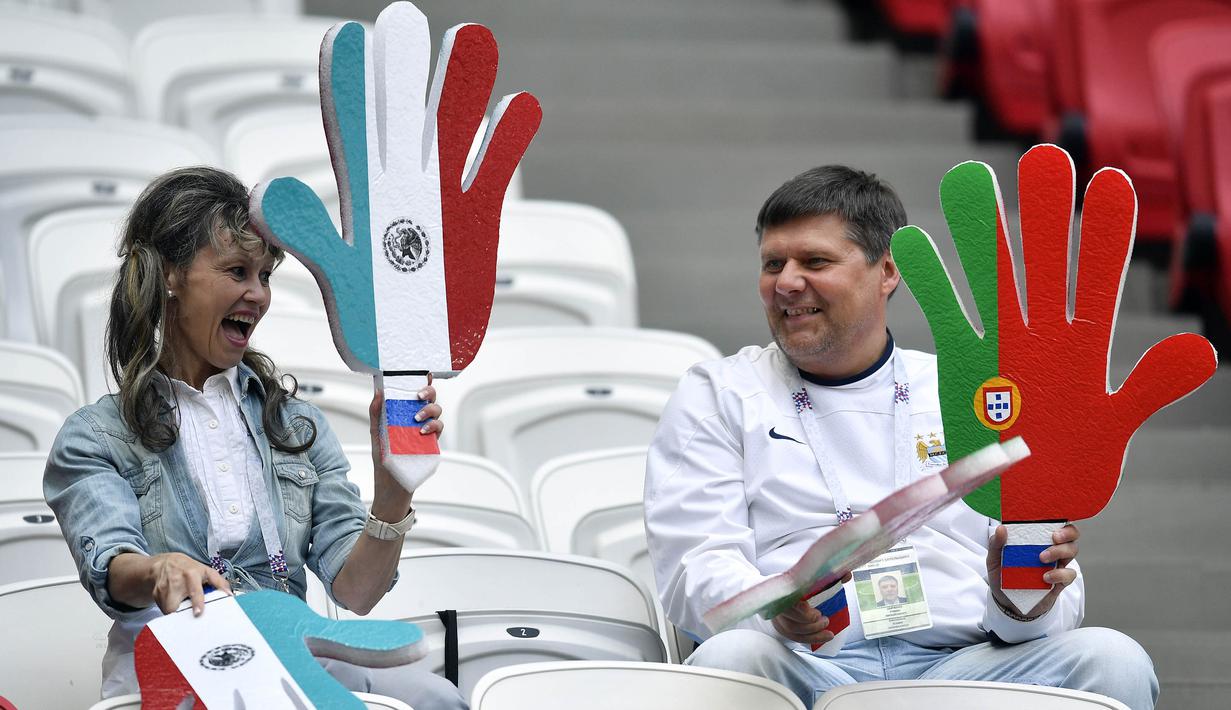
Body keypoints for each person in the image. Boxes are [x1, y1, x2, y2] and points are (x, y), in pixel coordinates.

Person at [643, 166, 1158, 710]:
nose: (787, 283)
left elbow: (1047, 589)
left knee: (1113, 660)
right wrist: (772, 608)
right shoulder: (722, 392)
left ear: (886, 271)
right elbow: (695, 562)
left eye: (815, 261)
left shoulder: (969, 390)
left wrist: (1019, 596)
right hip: (806, 663)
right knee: (731, 661)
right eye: (774, 264)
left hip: (966, 663)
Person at [43, 167, 466, 709]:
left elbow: (357, 593)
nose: (258, 294)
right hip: (173, 666)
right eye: (237, 271)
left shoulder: (296, 426)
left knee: (435, 698)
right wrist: (158, 570)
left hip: (291, 655)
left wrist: (394, 492)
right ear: (171, 274)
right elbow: (110, 564)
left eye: (265, 275)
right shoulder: (96, 436)